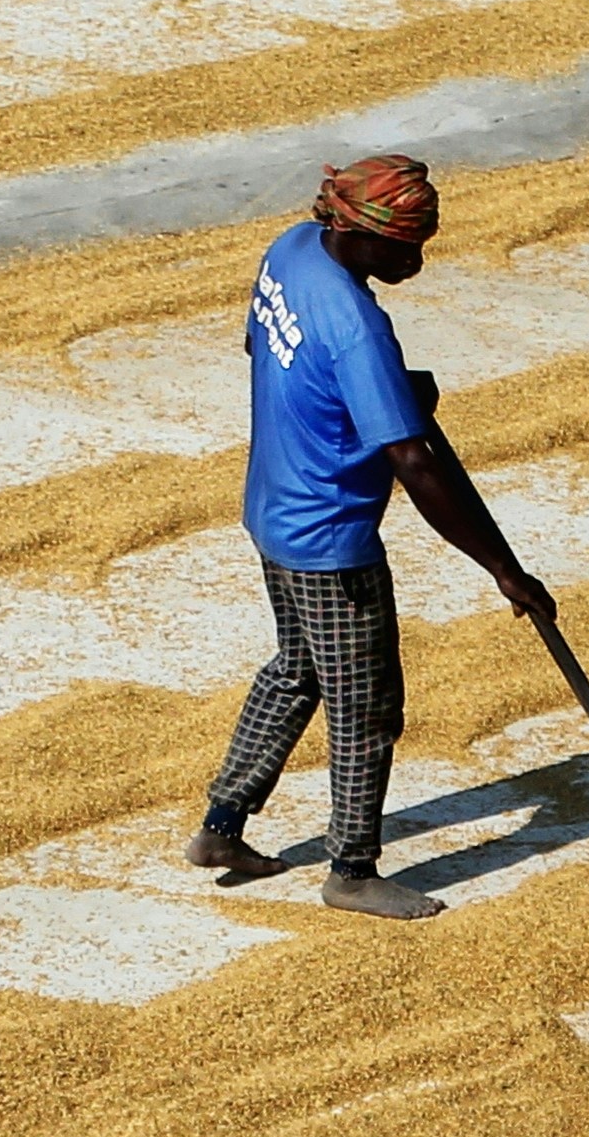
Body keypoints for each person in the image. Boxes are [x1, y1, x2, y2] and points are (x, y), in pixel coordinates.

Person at [189, 153, 555, 920]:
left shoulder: (291, 249)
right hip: (331, 540)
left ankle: (222, 827)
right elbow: (417, 468)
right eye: (409, 246)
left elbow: (263, 349)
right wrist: (504, 569)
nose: (417, 260)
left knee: (297, 671)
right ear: (364, 234)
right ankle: (351, 870)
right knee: (366, 707)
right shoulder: (358, 327)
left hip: (271, 507)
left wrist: (381, 397)